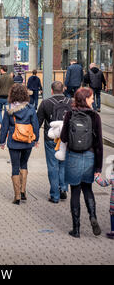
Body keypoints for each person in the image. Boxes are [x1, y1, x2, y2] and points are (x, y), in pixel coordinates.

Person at [60, 87, 103, 238]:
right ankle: (93, 217)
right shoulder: (95, 116)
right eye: (91, 98)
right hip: (90, 156)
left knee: (75, 192)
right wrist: (98, 167)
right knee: (88, 189)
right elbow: (99, 144)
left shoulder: (70, 114)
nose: (93, 100)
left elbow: (64, 137)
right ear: (85, 99)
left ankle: (76, 229)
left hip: (73, 157)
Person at [0, 84, 39, 205]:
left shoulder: (8, 109)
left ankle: (16, 196)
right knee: (24, 164)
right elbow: (35, 125)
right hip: (27, 141)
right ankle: (23, 191)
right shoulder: (30, 108)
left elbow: (4, 127)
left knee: (15, 166)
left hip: (13, 141)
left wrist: (2, 141)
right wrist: (36, 139)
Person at [37, 81, 71, 203]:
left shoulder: (46, 103)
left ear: (52, 90)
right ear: (63, 89)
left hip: (51, 139)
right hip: (66, 139)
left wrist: (35, 139)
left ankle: (54, 195)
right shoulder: (70, 102)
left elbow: (38, 121)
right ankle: (63, 188)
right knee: (63, 164)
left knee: (53, 166)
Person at [94, 162, 114, 240]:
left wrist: (96, 177)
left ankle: (113, 231)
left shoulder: (113, 176)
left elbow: (103, 183)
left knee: (112, 215)